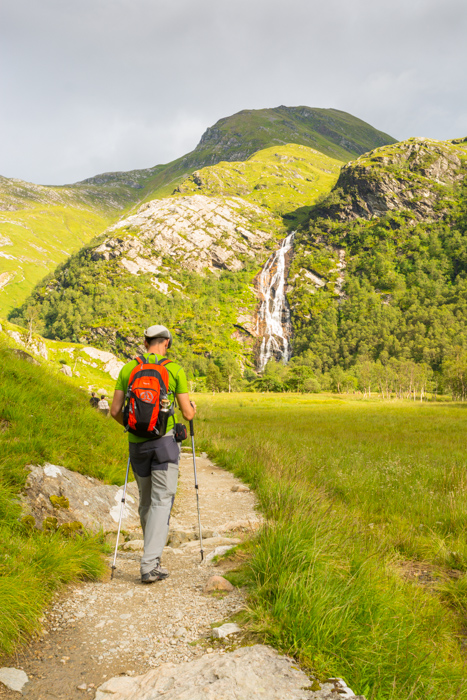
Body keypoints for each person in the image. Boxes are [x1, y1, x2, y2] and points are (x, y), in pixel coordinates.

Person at [110, 324, 196, 584]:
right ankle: (149, 565)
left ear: (145, 342)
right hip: (164, 445)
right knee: (162, 501)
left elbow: (114, 411)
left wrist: (133, 426)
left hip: (137, 445)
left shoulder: (128, 369)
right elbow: (188, 414)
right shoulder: (174, 369)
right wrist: (192, 408)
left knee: (146, 502)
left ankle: (151, 557)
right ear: (167, 343)